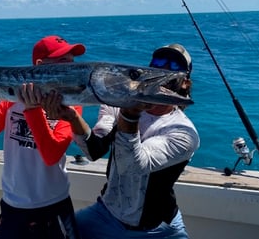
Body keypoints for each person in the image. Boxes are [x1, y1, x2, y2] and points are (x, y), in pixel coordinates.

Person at [41, 43, 200, 239]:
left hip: (159, 229)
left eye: (175, 66)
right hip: (105, 215)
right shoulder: (116, 106)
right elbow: (94, 150)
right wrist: (73, 118)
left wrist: (129, 116)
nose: (164, 69)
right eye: (158, 63)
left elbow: (132, 165)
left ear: (185, 82)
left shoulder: (184, 133)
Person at [0, 35, 85, 239]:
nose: (71, 69)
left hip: (53, 205)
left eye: (71, 62)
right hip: (13, 205)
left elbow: (51, 155)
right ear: (39, 66)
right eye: (63, 62)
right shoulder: (10, 102)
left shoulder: (70, 108)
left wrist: (33, 110)